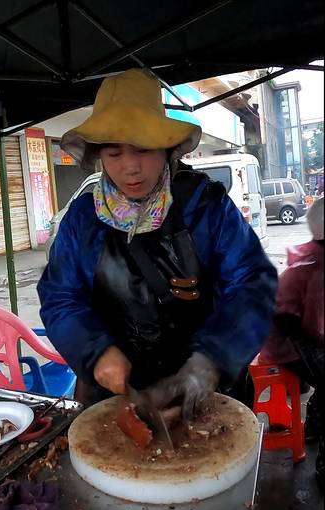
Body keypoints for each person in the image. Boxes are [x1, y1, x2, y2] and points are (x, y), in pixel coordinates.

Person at [37, 69, 277, 420]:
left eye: (143, 149)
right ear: (99, 154)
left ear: (166, 148)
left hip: (209, 392)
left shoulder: (206, 206)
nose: (130, 168)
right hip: (117, 401)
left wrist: (211, 360)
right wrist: (95, 351)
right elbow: (60, 297)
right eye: (114, 153)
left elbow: (252, 284)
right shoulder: (82, 220)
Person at [260, 196, 324, 484]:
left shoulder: (315, 257)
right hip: (284, 344)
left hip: (297, 336)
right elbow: (301, 326)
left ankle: (313, 428)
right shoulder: (313, 266)